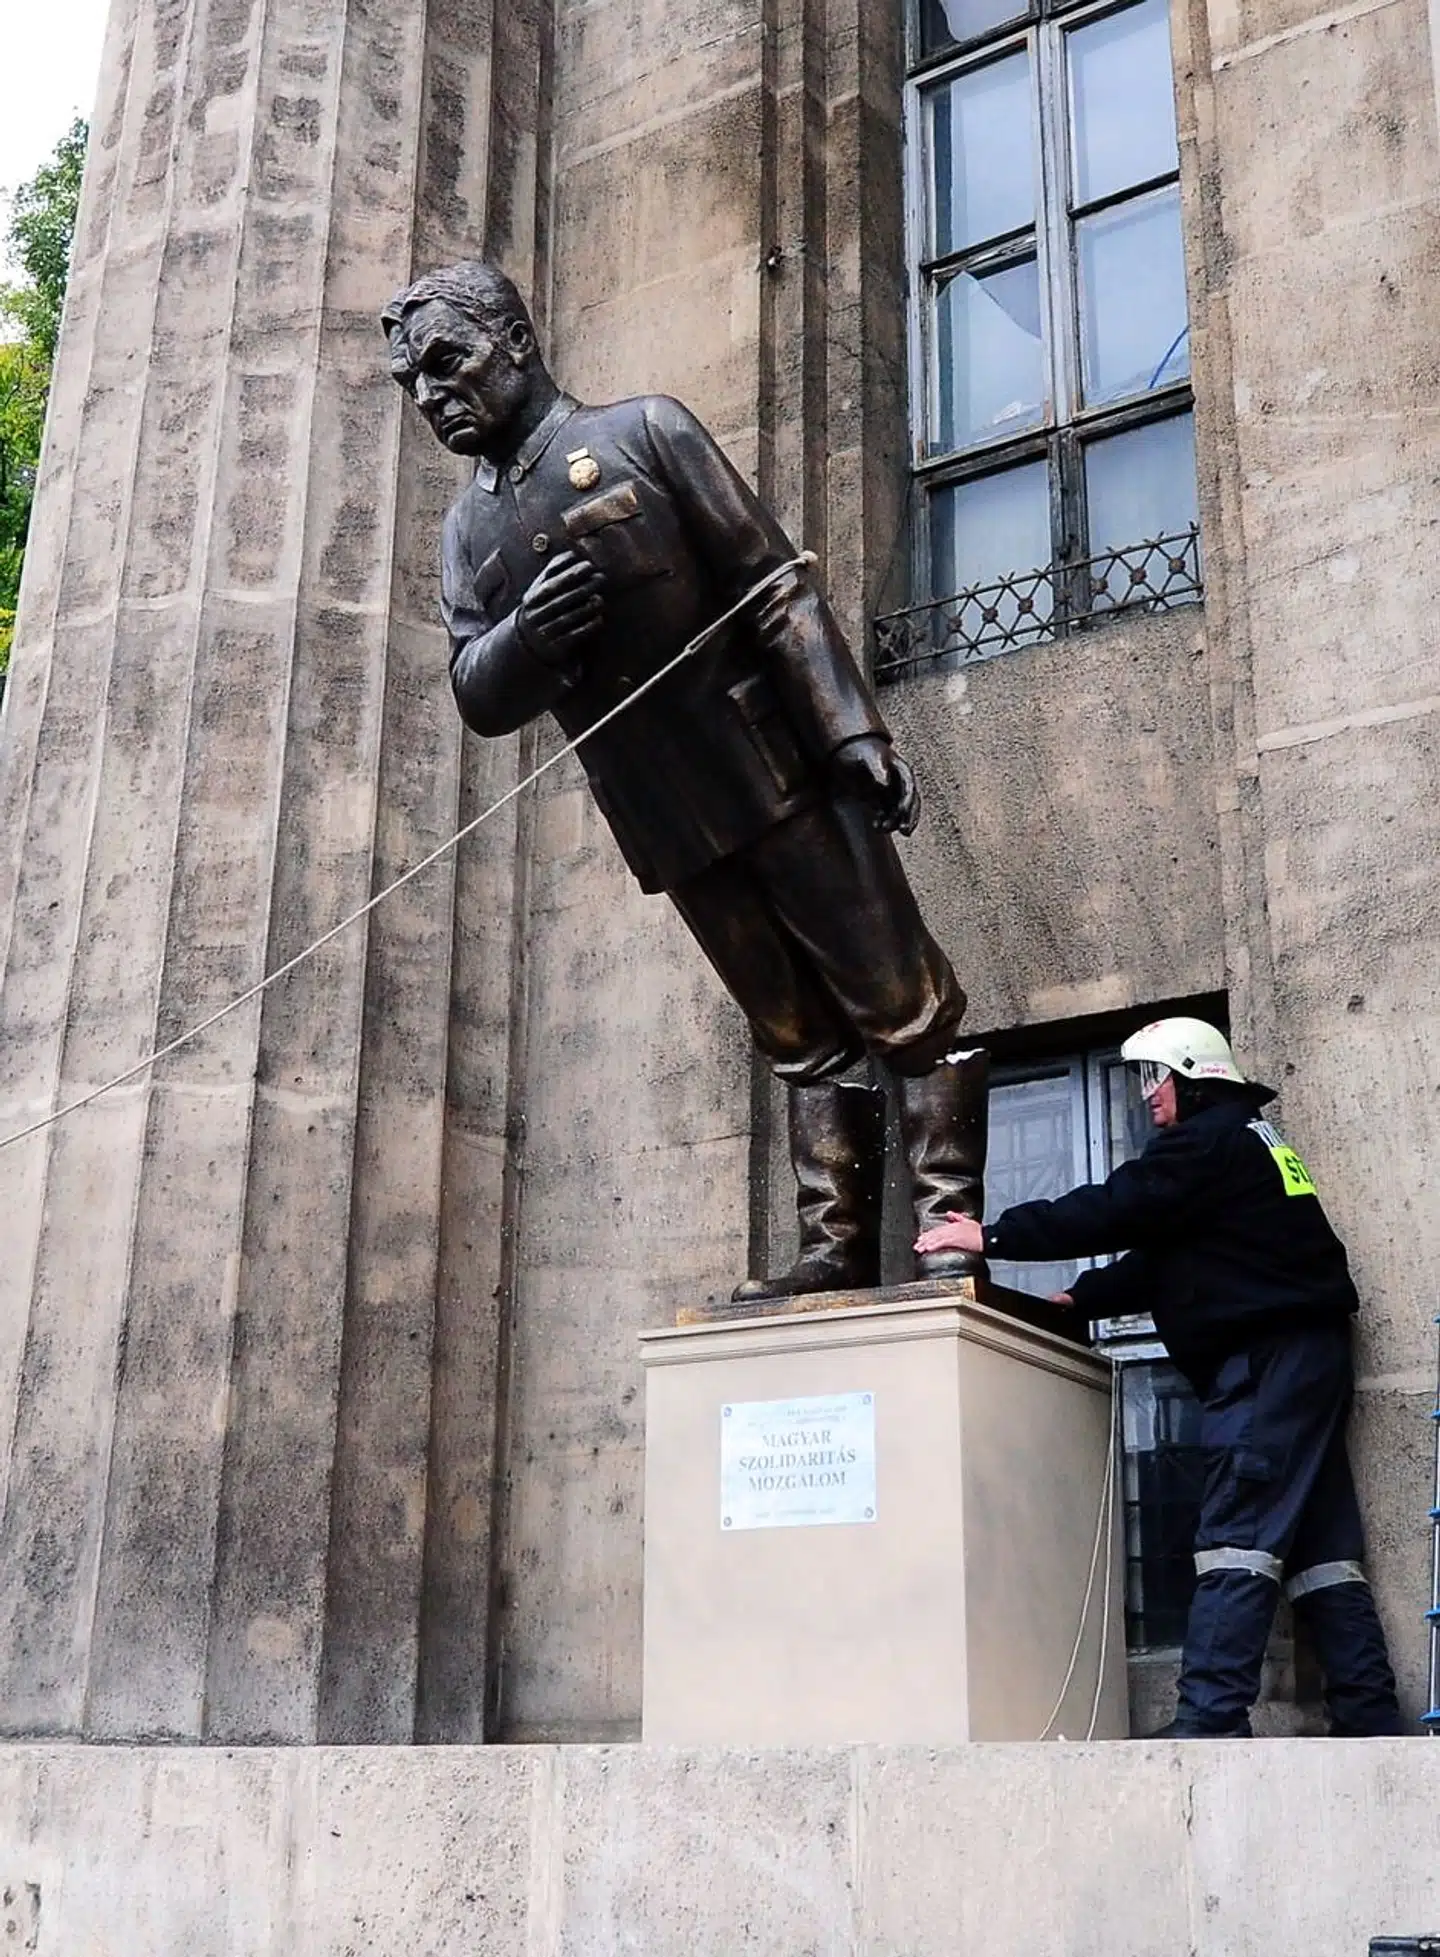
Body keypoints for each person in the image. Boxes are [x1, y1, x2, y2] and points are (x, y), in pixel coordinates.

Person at [381, 260, 988, 1302]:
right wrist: (528, 638)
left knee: (901, 998)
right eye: (415, 383)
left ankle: (949, 1227)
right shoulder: (464, 531)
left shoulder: (644, 432)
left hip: (781, 769)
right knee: (792, 1033)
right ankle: (836, 1246)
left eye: (450, 362)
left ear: (515, 344)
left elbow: (774, 585)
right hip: (670, 822)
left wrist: (853, 733)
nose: (434, 395)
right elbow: (476, 688)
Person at [916, 1015, 1404, 1739]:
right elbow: (1169, 1257)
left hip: (1266, 1360)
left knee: (1237, 1532)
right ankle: (1370, 1721)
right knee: (1322, 1551)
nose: (1148, 1096)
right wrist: (1082, 1299)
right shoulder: (1247, 1143)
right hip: (1305, 1356)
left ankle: (1208, 1723)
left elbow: (1119, 1207)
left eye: (1156, 1077)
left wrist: (992, 1235)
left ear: (1192, 1077)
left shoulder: (1205, 1145)